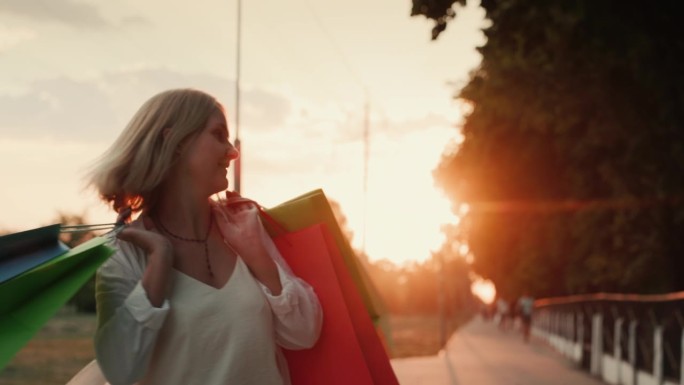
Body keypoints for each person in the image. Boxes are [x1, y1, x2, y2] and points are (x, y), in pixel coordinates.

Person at [84, 88, 323, 385]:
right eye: (218, 134)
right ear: (176, 143)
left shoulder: (243, 227)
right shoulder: (125, 253)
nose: (232, 152)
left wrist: (258, 257)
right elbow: (120, 369)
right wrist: (159, 262)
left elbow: (303, 333)